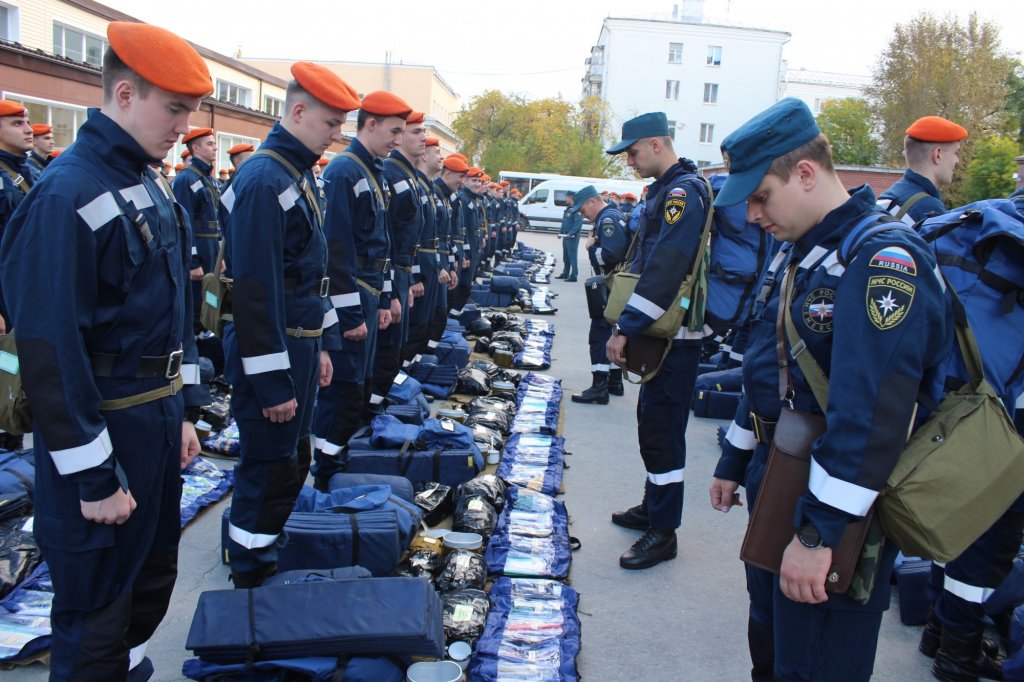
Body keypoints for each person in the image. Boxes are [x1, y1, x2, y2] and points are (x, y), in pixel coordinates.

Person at [707, 98, 951, 682]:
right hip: (783, 470)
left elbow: (873, 417)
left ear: (807, 174)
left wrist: (818, 537)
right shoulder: (802, 248)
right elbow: (770, 368)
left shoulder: (880, 258)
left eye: (761, 196)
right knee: (770, 640)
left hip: (837, 498)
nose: (754, 215)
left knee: (815, 660)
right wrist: (735, 457)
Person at [0, 21, 210, 680]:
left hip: (151, 420)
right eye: (173, 107)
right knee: (94, 608)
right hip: (104, 425)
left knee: (146, 583)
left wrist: (183, 409)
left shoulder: (148, 181)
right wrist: (93, 477)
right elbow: (50, 351)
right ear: (124, 94)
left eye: (189, 110)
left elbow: (174, 316)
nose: (184, 123)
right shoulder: (68, 192)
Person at [221, 61, 357, 588]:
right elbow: (255, 296)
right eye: (330, 123)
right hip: (271, 349)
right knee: (268, 466)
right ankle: (249, 570)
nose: (337, 135)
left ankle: (262, 548)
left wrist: (321, 344)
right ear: (297, 111)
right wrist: (274, 381)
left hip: (298, 346)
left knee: (287, 462)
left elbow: (310, 276)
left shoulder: (297, 174)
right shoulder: (264, 178)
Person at [604, 111, 712, 569]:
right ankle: (654, 507)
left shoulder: (682, 194)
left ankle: (664, 532)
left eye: (631, 151)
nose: (629, 160)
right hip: (662, 328)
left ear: (654, 144)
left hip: (674, 334)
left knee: (664, 432)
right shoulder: (667, 190)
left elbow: (665, 266)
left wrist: (625, 327)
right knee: (653, 424)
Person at [312, 90, 410, 490]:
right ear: (370, 125)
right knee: (344, 388)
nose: (398, 140)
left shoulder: (372, 171)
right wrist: (349, 314)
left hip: (369, 293)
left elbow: (381, 245)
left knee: (360, 384)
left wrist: (384, 299)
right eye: (394, 131)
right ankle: (325, 467)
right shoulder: (344, 172)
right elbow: (337, 250)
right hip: (351, 295)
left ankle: (337, 454)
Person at [372, 110, 426, 409]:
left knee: (395, 347)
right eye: (416, 132)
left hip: (401, 271)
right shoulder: (391, 173)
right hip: (389, 274)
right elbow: (388, 238)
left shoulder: (407, 175)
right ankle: (372, 409)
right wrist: (390, 290)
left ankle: (384, 399)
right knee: (387, 349)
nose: (423, 138)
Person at [570, 184, 629, 404]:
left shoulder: (607, 220)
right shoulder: (612, 215)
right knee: (611, 330)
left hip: (611, 286)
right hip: (617, 286)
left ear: (592, 202)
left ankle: (599, 387)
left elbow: (611, 254)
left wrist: (591, 247)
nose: (583, 216)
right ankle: (614, 381)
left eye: (583, 210)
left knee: (599, 335)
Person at [0, 100, 34, 452]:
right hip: (4, 299)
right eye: (15, 123)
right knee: (5, 372)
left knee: (18, 375)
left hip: (24, 294)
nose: (27, 128)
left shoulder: (27, 173)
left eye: (26, 121)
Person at [877, 115, 967, 224]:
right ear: (938, 155)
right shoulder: (928, 209)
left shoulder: (891, 196)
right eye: (955, 153)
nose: (957, 160)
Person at [172, 127, 220, 311]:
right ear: (196, 149)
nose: (215, 148)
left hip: (211, 249)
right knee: (197, 298)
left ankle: (209, 328)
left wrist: (218, 255)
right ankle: (198, 335)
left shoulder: (208, 179)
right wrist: (193, 262)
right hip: (199, 250)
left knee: (212, 293)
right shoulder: (187, 179)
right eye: (210, 144)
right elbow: (184, 223)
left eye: (215, 143)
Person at [556, 191, 581, 281]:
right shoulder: (568, 209)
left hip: (572, 237)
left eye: (566, 197)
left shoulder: (576, 209)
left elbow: (577, 224)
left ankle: (574, 275)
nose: (565, 198)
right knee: (566, 256)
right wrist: (560, 232)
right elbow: (565, 223)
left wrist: (571, 233)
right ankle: (565, 273)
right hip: (566, 236)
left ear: (571, 197)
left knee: (572, 256)